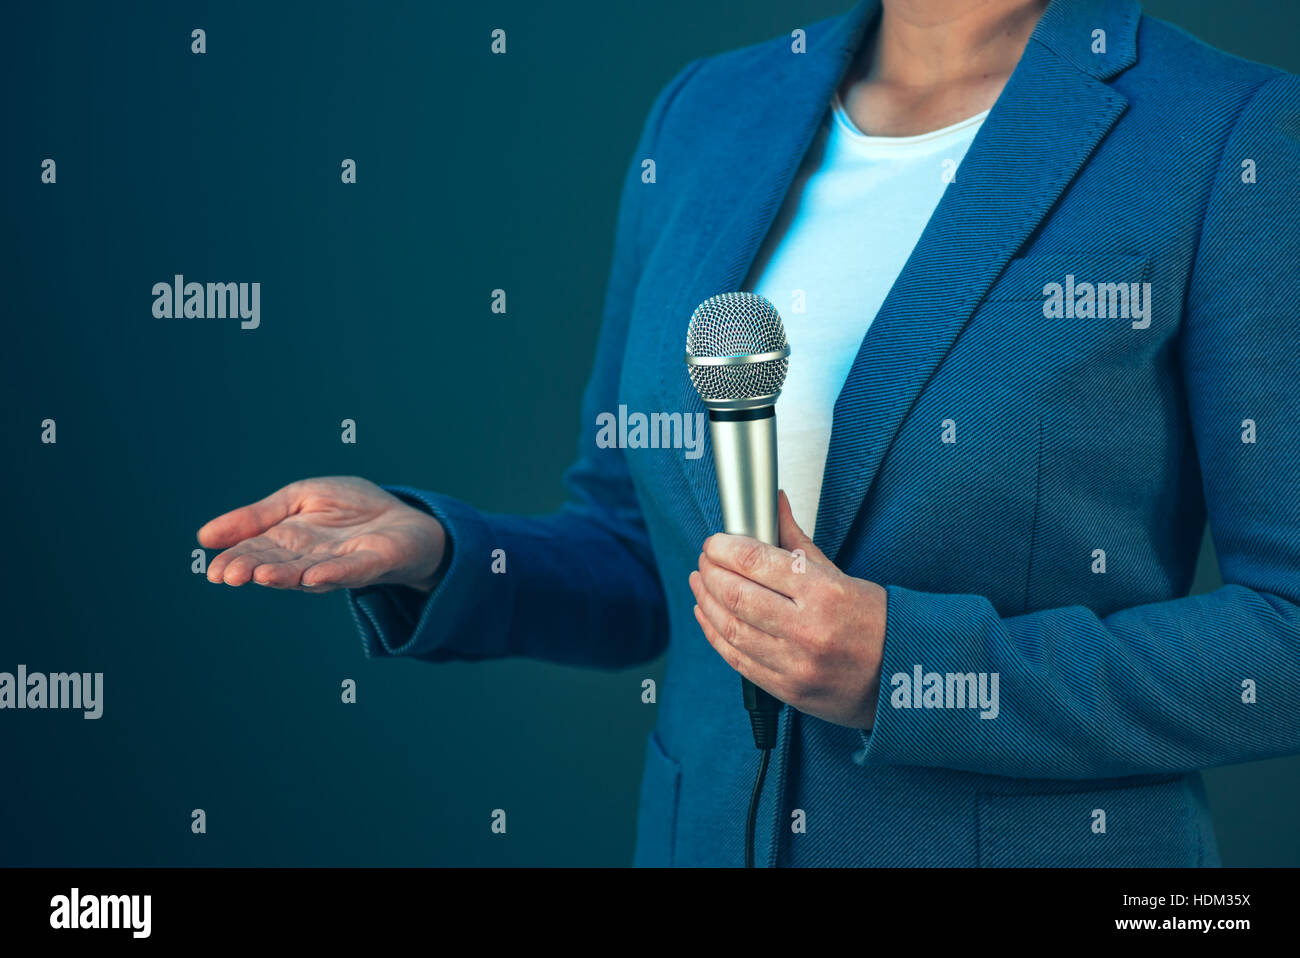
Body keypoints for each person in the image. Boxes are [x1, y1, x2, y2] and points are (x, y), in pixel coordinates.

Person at [197, 0, 1300, 867]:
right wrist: (436, 546)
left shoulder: (1223, 133)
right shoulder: (709, 112)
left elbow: (1285, 632)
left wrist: (908, 668)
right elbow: (641, 553)